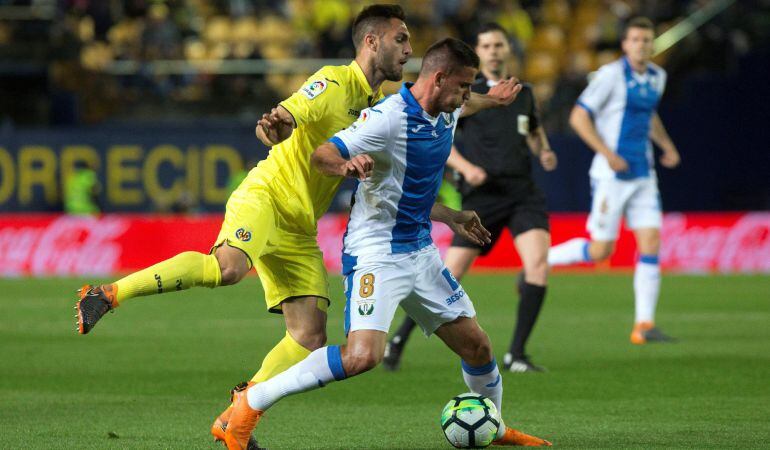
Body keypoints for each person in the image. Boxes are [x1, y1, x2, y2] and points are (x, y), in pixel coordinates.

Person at [74, 4, 412, 444]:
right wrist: (275, 128)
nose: (409, 49)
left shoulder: (375, 103)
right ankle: (106, 294)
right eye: (401, 39)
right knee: (228, 268)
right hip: (268, 196)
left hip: (299, 225)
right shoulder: (333, 81)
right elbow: (280, 121)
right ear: (373, 41)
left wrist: (492, 95)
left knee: (309, 335)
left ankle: (237, 411)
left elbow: (441, 101)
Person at [221, 38, 551, 450]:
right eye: (465, 85)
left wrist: (493, 103)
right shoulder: (387, 118)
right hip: (375, 251)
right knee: (363, 356)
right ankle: (250, 403)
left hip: (420, 250)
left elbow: (469, 106)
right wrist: (346, 165)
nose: (467, 95)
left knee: (478, 345)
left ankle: (494, 426)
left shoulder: (448, 109)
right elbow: (322, 153)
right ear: (439, 79)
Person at [384, 23, 558, 373]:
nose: (494, 50)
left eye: (499, 44)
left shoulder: (523, 93)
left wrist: (545, 151)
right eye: (487, 45)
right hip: (482, 196)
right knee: (448, 275)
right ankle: (399, 339)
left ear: (507, 49)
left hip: (522, 191)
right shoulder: (464, 92)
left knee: (538, 265)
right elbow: (439, 132)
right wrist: (467, 166)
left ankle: (517, 354)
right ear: (479, 51)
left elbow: (533, 130)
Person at [547, 17, 681, 344]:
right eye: (636, 40)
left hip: (643, 173)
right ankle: (541, 261)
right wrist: (607, 153)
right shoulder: (610, 76)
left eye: (647, 41)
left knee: (651, 243)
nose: (642, 46)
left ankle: (644, 325)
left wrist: (666, 146)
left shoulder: (657, 77)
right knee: (600, 250)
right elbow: (578, 117)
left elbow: (648, 116)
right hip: (612, 175)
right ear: (625, 44)